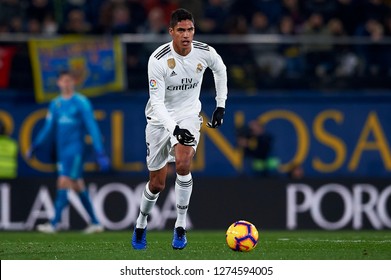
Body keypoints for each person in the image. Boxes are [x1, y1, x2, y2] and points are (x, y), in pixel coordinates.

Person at [131, 8, 228, 250]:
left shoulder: (204, 52)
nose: (187, 35)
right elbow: (157, 103)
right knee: (157, 183)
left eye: (190, 30)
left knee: (184, 163)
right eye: (181, 30)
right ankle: (141, 223)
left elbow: (220, 69)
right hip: (159, 119)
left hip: (188, 115)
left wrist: (220, 105)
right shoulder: (158, 59)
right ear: (171, 31)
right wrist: (173, 129)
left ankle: (180, 226)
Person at [27, 70, 110, 234]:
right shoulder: (55, 104)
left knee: (64, 181)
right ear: (58, 83)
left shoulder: (81, 102)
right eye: (63, 81)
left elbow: (92, 126)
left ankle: (53, 223)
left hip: (75, 150)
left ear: (74, 82)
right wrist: (36, 145)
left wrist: (99, 151)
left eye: (69, 81)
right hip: (61, 152)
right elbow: (48, 128)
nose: (66, 84)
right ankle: (95, 222)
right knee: (77, 185)